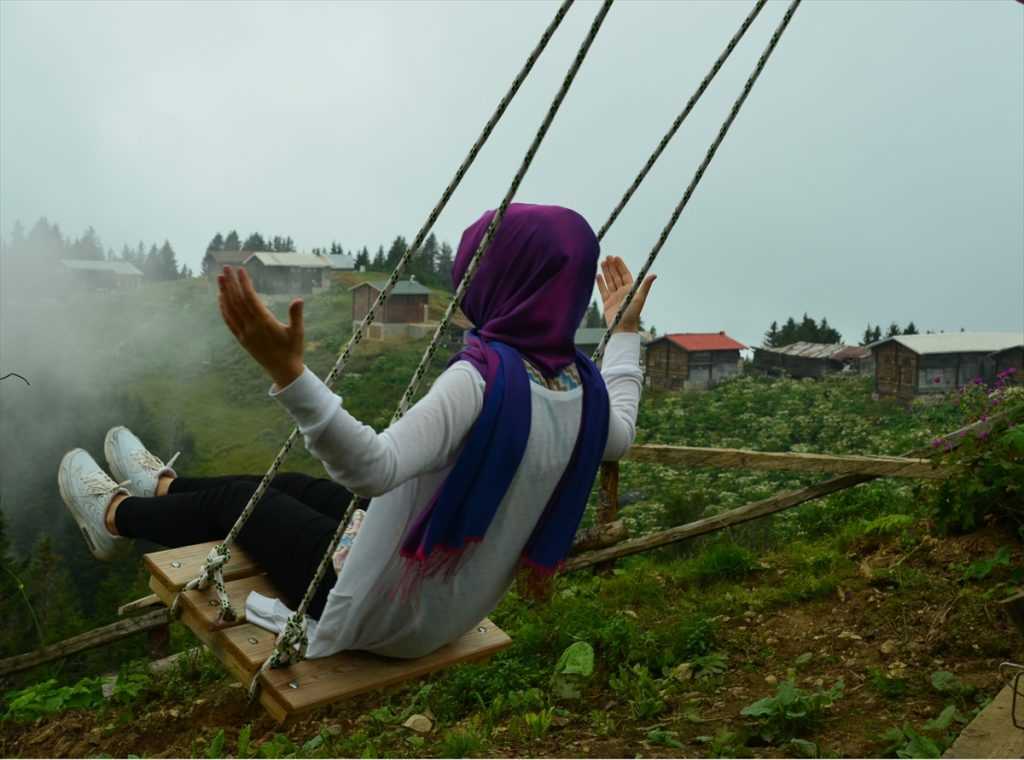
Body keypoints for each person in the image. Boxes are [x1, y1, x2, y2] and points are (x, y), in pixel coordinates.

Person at [58, 203, 655, 659]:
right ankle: (162, 489)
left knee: (241, 503)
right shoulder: (578, 389)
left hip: (380, 611)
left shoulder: (481, 384)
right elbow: (621, 432)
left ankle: (113, 517)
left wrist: (289, 374)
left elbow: (374, 468)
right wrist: (623, 331)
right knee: (291, 485)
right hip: (444, 602)